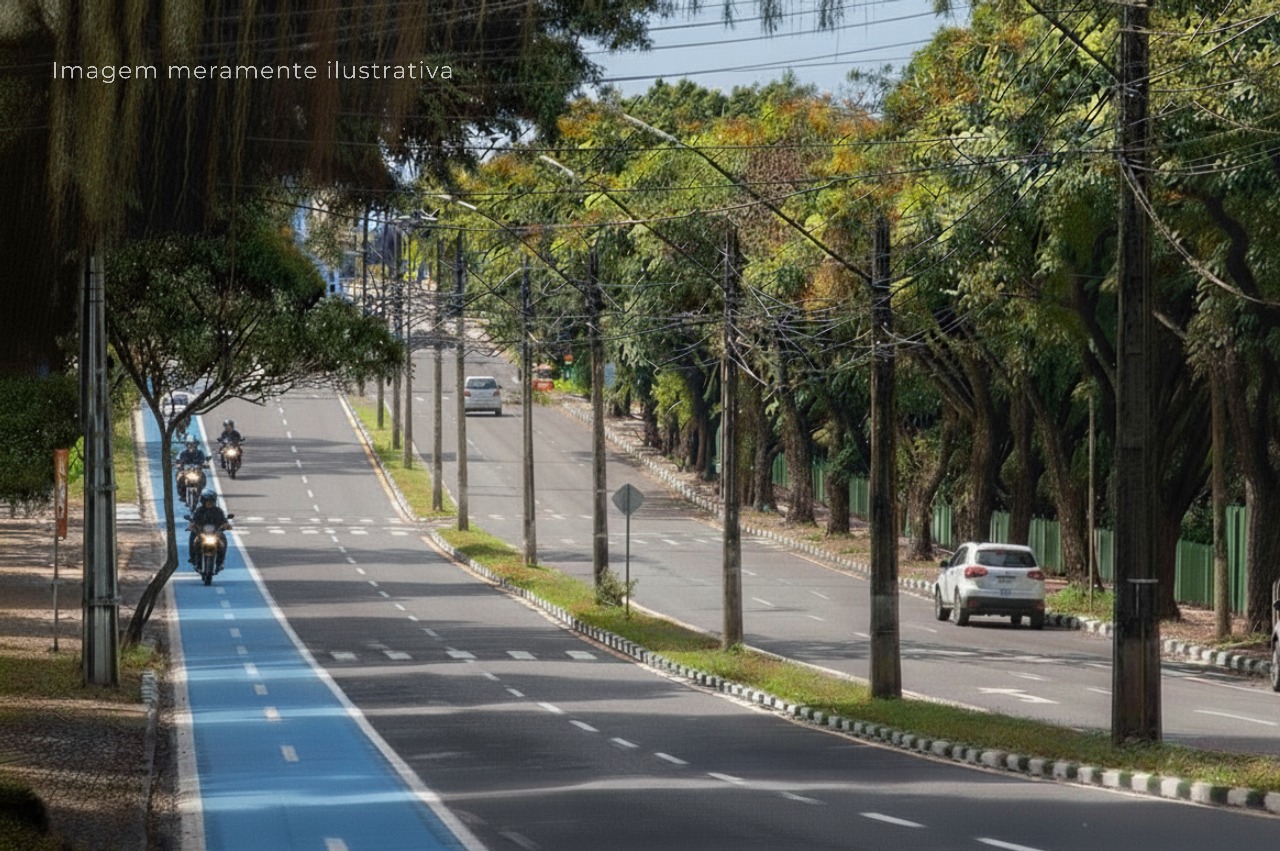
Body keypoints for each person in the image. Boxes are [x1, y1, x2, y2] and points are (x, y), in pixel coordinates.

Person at [187, 491, 230, 570]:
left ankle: (220, 562)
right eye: (207, 501)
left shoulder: (218, 511)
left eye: (211, 501)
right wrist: (191, 526)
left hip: (215, 532)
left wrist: (226, 525)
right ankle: (193, 559)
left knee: (223, 540)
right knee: (193, 538)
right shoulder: (198, 511)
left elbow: (223, 520)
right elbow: (193, 520)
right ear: (203, 501)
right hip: (201, 532)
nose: (209, 503)